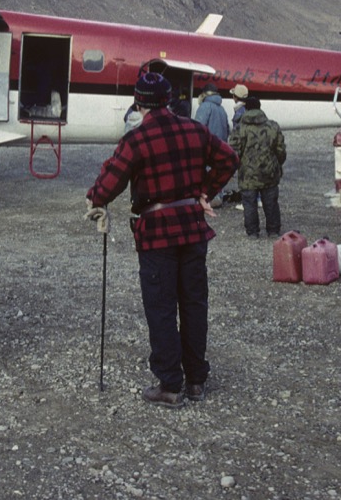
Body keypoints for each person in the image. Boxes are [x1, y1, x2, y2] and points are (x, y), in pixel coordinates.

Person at [86, 72, 238, 408]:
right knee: (194, 305)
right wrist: (205, 193)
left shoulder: (136, 140)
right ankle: (196, 380)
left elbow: (109, 185)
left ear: (139, 103)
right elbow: (229, 159)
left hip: (157, 234)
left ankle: (170, 384)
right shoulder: (195, 129)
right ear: (168, 99)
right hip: (193, 229)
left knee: (162, 308)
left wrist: (94, 199)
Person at [228, 96, 287, 238]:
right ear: (260, 107)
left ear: (246, 108)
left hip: (247, 173)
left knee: (249, 203)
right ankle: (273, 230)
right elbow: (280, 150)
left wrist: (239, 167)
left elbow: (234, 152)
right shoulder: (273, 126)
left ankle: (253, 232)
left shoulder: (239, 128)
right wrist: (277, 164)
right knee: (271, 202)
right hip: (269, 172)